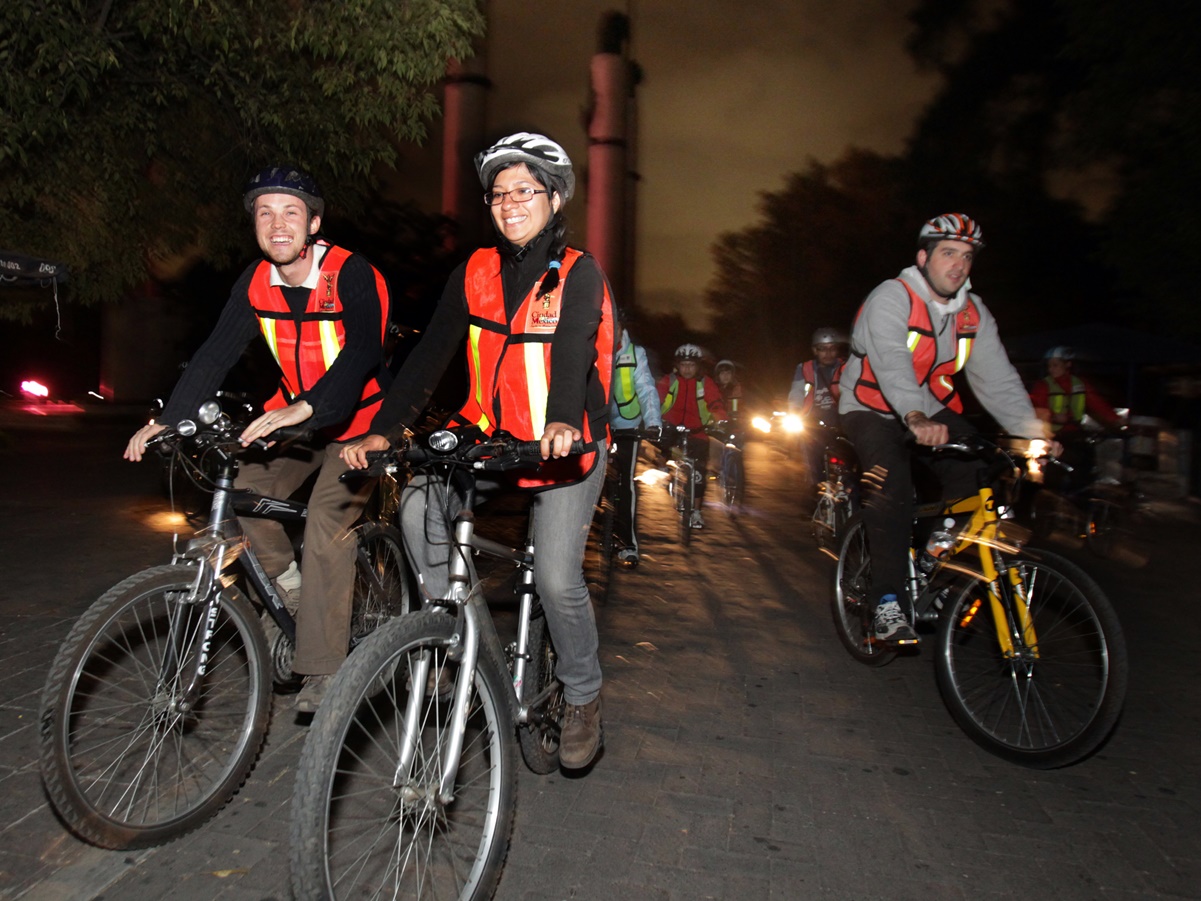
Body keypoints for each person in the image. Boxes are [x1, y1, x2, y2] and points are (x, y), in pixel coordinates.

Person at [341, 132, 614, 770]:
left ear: (554, 198)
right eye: (499, 193)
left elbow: (575, 347)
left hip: (564, 444)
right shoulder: (475, 271)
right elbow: (431, 353)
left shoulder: (579, 272)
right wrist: (385, 428)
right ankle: (458, 639)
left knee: (554, 577)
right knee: (416, 507)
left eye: (525, 190)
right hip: (489, 434)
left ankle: (583, 695)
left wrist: (562, 420)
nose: (509, 202)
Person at [124, 166, 392, 713]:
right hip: (293, 419)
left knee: (326, 524)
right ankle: (289, 586)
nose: (276, 223)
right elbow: (215, 354)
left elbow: (365, 350)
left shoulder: (351, 274)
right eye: (264, 213)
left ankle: (323, 668)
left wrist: (313, 402)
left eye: (290, 211)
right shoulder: (254, 281)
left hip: (357, 419)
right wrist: (171, 417)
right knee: (239, 490)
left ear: (314, 223)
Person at [838, 213, 1050, 643]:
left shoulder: (972, 313)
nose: (958, 265)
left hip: (929, 409)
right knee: (891, 487)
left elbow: (998, 378)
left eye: (967, 256)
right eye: (948, 253)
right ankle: (886, 603)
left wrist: (1033, 433)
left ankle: (933, 563)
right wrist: (913, 416)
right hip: (869, 407)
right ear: (923, 257)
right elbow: (893, 363)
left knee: (979, 471)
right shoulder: (892, 297)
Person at [1029, 346, 1121, 493]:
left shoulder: (1080, 384)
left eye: (1055, 365)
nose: (1051, 369)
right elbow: (1034, 410)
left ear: (1068, 364)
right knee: (1054, 474)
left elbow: (1096, 403)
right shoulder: (1043, 386)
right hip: (1052, 437)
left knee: (1085, 468)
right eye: (1049, 365)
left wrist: (1116, 419)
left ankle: (1081, 501)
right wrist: (1053, 416)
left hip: (1075, 435)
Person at [610, 315, 663, 567]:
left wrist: (652, 423)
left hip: (627, 424)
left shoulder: (635, 353)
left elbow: (645, 388)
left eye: (616, 324)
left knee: (625, 483)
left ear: (622, 327)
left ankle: (629, 544)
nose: (611, 329)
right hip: (597, 425)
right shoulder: (591, 346)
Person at [657, 344, 727, 529]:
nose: (687, 369)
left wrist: (721, 419)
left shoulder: (705, 383)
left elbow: (716, 403)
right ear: (677, 365)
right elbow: (657, 398)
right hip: (672, 428)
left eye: (691, 365)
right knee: (662, 445)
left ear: (698, 366)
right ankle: (665, 468)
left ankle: (696, 512)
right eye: (683, 364)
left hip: (698, 431)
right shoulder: (669, 380)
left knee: (699, 475)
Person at [788, 327, 847, 488]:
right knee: (813, 461)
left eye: (832, 348)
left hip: (841, 421)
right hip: (813, 422)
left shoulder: (845, 367)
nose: (827, 353)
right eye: (822, 349)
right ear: (815, 350)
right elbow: (796, 392)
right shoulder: (805, 368)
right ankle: (817, 491)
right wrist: (794, 411)